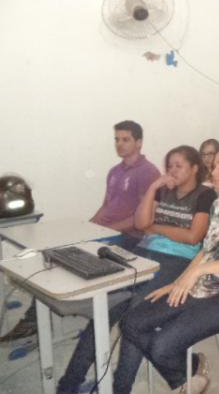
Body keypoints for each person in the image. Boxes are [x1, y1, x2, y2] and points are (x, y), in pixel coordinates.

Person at [111, 140, 219, 394]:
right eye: (214, 165)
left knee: (162, 346)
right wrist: (178, 282)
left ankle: (189, 374)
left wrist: (197, 272)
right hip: (202, 284)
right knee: (131, 322)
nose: (213, 171)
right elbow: (207, 250)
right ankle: (192, 374)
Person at [56, 145, 217, 394]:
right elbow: (142, 224)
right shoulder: (163, 190)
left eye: (178, 165)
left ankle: (120, 388)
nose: (172, 171)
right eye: (169, 165)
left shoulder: (205, 195)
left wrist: (158, 228)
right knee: (105, 309)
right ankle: (69, 384)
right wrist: (153, 188)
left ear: (194, 168)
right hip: (144, 252)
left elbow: (194, 237)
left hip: (178, 261)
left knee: (134, 316)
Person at [0, 120, 160, 345]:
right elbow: (107, 205)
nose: (120, 144)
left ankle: (37, 320)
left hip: (128, 237)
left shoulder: (148, 172)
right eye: (117, 139)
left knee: (74, 262)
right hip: (105, 231)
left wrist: (104, 229)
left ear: (139, 142)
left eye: (125, 140)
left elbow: (142, 219)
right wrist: (90, 225)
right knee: (56, 253)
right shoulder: (115, 171)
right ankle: (36, 318)